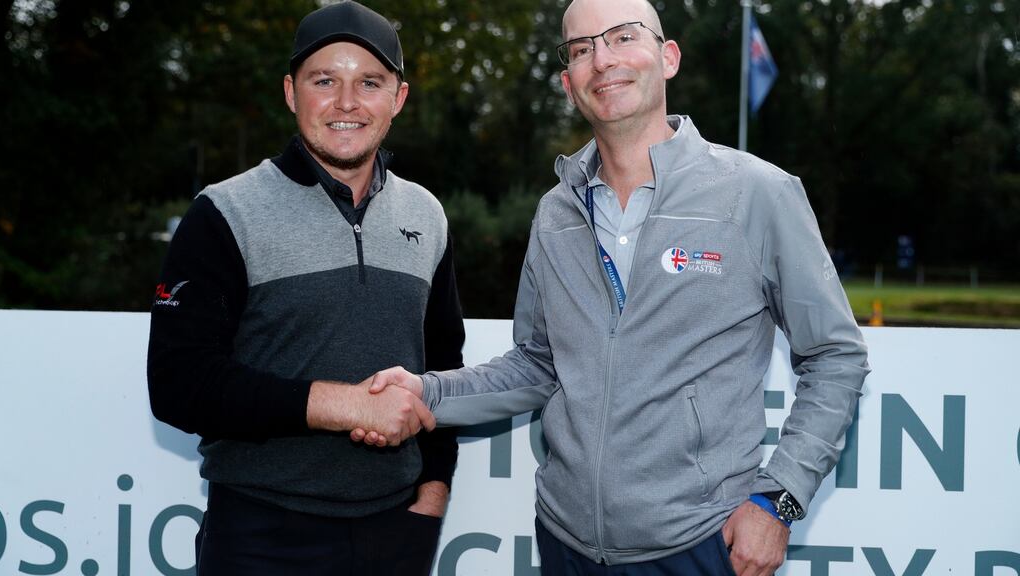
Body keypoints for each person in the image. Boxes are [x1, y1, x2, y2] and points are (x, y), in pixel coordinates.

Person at [363, 0, 869, 574]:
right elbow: (537, 364)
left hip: (701, 545)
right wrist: (424, 394)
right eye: (581, 49)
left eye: (623, 37)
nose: (602, 60)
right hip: (565, 543)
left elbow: (835, 356)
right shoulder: (555, 212)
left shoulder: (756, 194)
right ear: (568, 82)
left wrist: (778, 500)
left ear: (667, 57)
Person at [146, 2, 465, 574]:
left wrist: (433, 493)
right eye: (325, 80)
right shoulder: (224, 212)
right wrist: (340, 404)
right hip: (259, 533)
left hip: (396, 530)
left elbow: (442, 366)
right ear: (292, 93)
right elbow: (178, 383)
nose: (346, 103)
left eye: (369, 82)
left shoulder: (428, 214)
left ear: (398, 98)